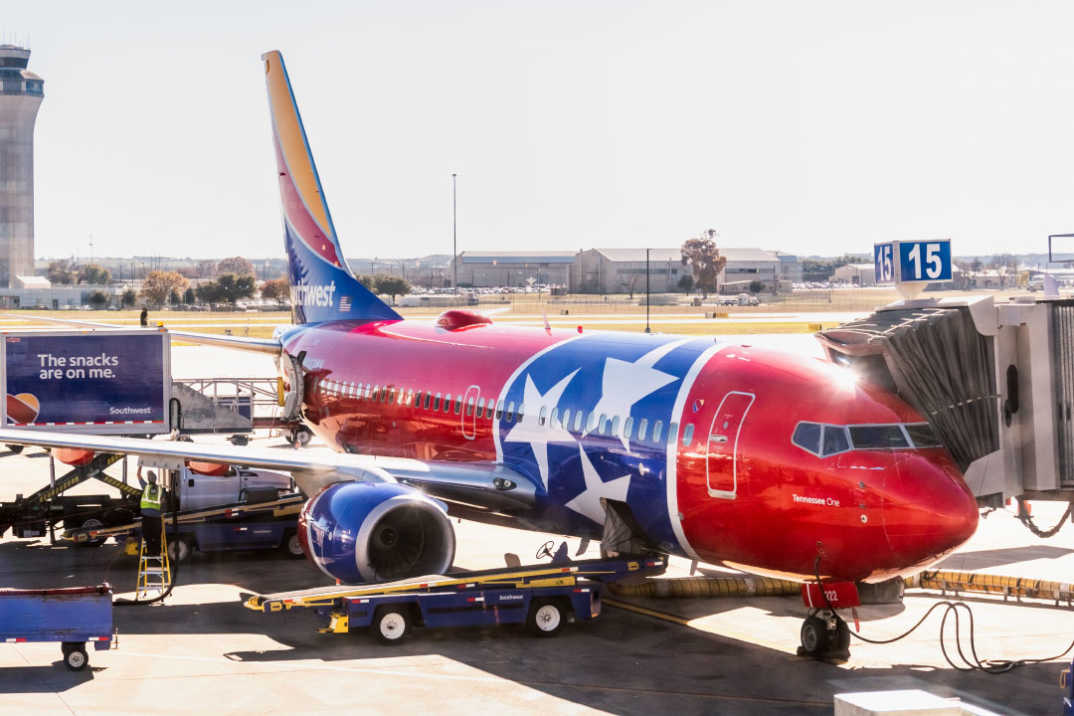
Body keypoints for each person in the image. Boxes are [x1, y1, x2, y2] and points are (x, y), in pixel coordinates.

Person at [137, 466, 164, 556]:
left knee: (147, 534)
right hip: (156, 516)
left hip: (147, 515)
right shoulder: (160, 489)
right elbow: (163, 501)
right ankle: (157, 552)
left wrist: (140, 466)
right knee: (156, 535)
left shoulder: (146, 486)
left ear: (148, 479)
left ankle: (150, 552)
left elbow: (138, 475)